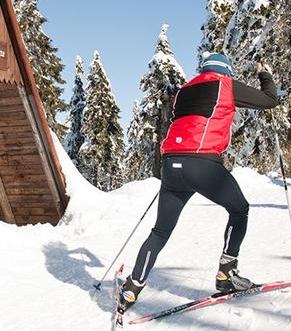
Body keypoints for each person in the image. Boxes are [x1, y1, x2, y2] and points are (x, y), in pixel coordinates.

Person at [118, 52, 279, 313]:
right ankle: (227, 274)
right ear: (225, 71)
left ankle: (131, 289)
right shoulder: (224, 84)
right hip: (202, 164)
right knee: (239, 209)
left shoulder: (184, 91)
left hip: (171, 165)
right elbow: (269, 101)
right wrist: (265, 74)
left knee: (160, 231)